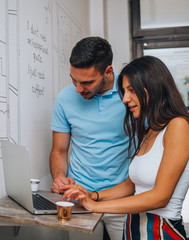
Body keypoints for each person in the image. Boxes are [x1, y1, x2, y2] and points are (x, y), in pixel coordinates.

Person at [61, 55, 189, 239]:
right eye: (124, 91)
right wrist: (92, 195)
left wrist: (95, 206)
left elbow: (160, 197)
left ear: (153, 88)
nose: (125, 99)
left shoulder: (178, 126)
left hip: (160, 230)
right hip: (134, 227)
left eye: (131, 90)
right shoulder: (150, 130)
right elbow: (130, 186)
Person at [50, 36, 131, 239]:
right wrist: (59, 177)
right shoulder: (65, 98)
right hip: (78, 199)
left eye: (86, 82)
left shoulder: (131, 93)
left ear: (108, 72)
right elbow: (59, 150)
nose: (78, 88)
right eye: (73, 79)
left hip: (122, 198)